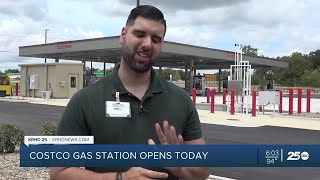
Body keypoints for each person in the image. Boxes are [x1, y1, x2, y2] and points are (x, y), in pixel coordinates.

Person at [50, 5, 209, 180]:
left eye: (156, 39)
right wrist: (120, 178)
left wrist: (182, 169)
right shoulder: (85, 101)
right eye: (140, 34)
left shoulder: (181, 100)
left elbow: (202, 171)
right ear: (123, 35)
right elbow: (60, 173)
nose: (147, 44)